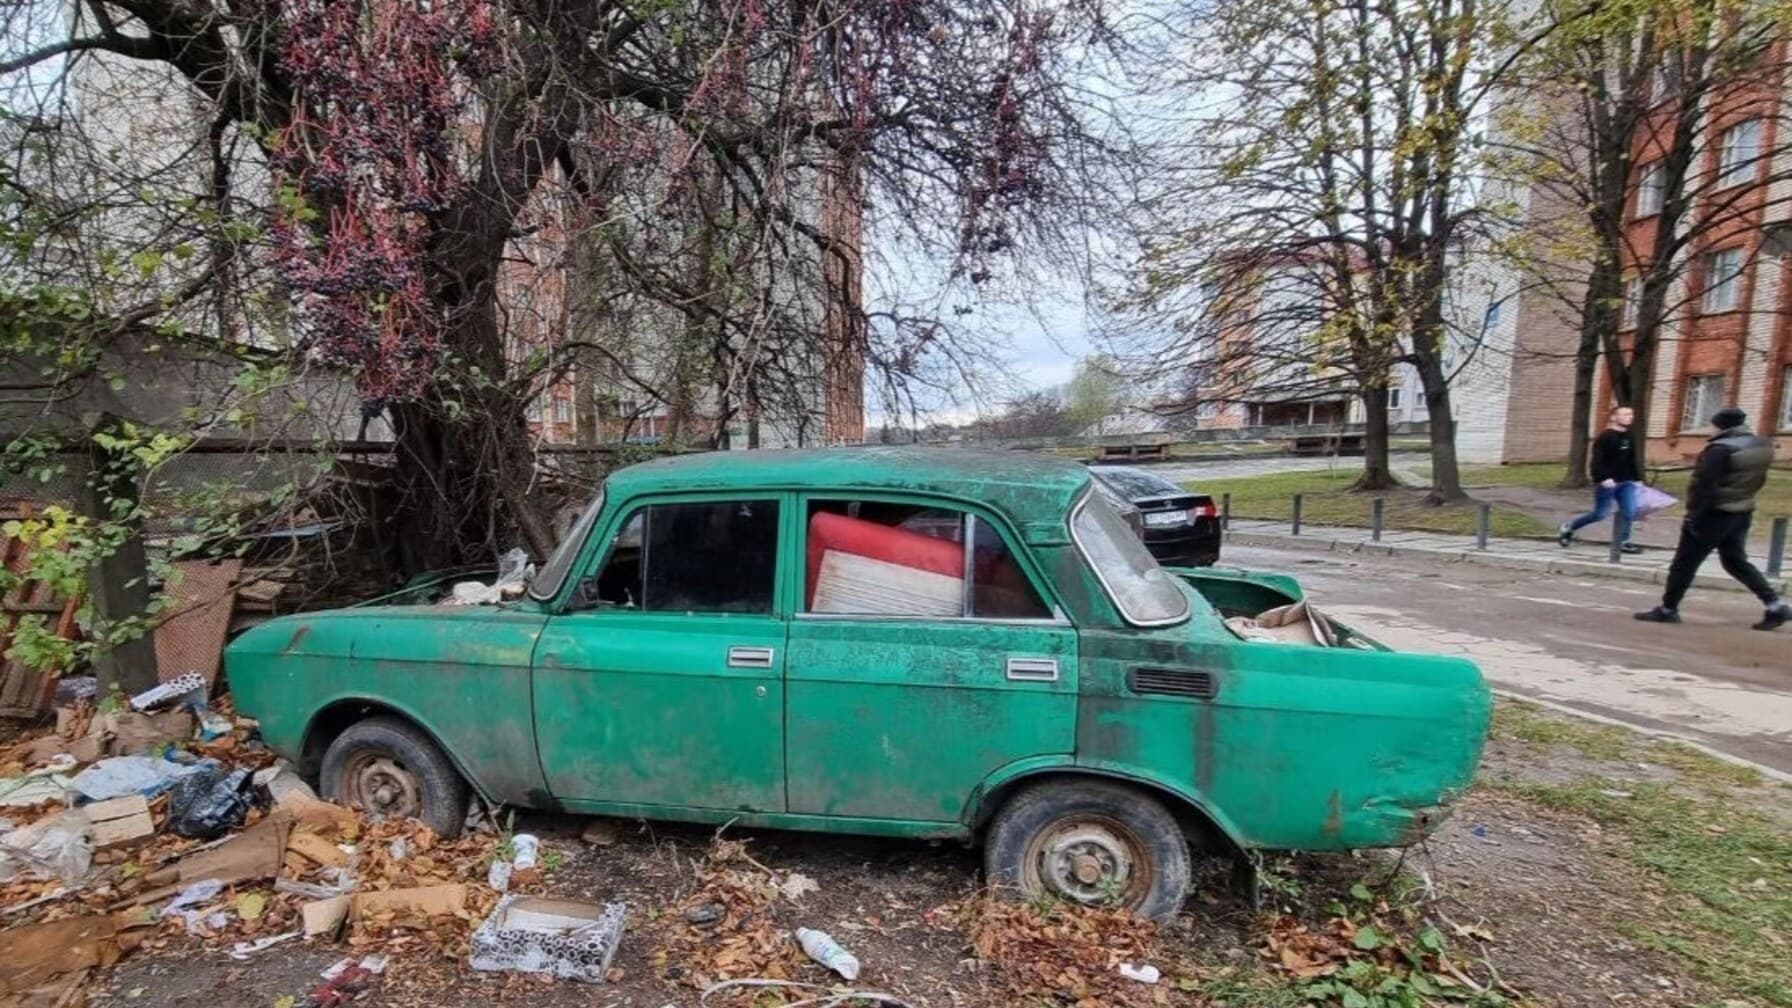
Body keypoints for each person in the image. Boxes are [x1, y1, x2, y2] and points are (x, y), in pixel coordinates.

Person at [1636, 407, 1792, 630]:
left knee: (1685, 562)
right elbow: (1757, 479)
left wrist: (1693, 516)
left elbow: (1703, 485)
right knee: (1736, 561)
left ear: (1721, 425)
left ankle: (1668, 609)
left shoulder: (1720, 450)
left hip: (1714, 513)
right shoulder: (1761, 445)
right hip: (1741, 509)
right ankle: (1775, 605)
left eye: (1713, 424)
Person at [1558, 405, 1644, 553]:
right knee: (1600, 514)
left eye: (1630, 415)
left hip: (1626, 482)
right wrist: (1603, 478)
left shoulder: (1629, 436)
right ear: (1614, 417)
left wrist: (1637, 478)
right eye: (1624, 415)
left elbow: (1631, 460)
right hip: (1607, 483)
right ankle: (1569, 527)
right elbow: (1596, 462)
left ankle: (1623, 541)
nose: (1629, 417)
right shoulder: (1605, 437)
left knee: (1629, 511)